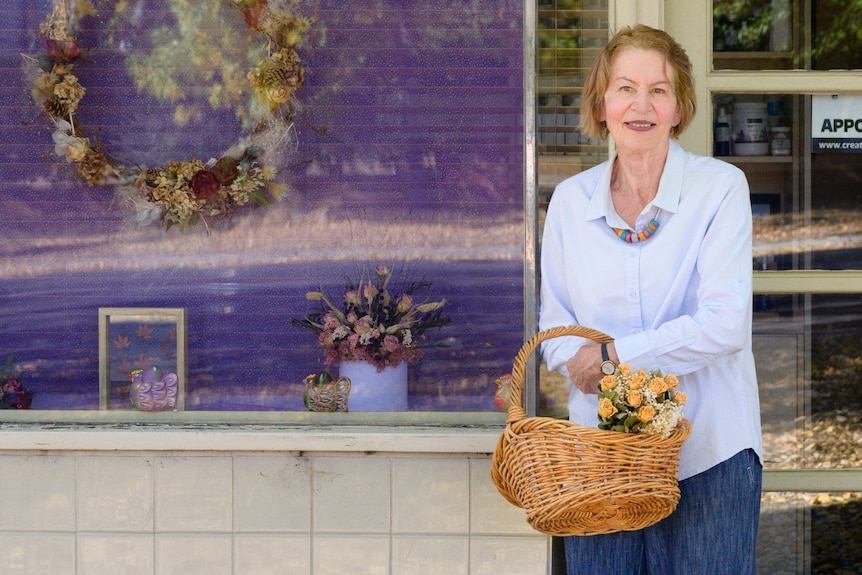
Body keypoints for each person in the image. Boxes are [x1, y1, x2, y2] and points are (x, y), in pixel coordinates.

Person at [538, 24, 763, 575]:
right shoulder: (570, 201)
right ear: (602, 102)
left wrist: (614, 359)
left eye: (658, 90)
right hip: (602, 457)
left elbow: (725, 325)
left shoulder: (720, 189)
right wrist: (577, 359)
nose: (641, 105)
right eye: (625, 88)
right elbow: (555, 326)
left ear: (679, 107)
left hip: (708, 450)